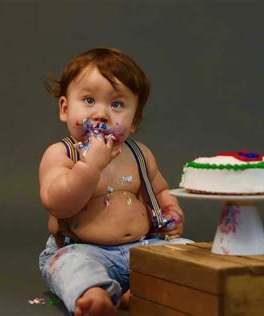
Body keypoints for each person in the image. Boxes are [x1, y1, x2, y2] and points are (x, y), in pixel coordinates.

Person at [38, 47, 191, 316]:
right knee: (71, 267)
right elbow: (58, 204)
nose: (101, 114)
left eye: (117, 104)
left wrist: (171, 212)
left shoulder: (140, 154)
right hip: (83, 250)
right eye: (88, 100)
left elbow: (161, 191)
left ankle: (143, 292)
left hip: (142, 249)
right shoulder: (62, 154)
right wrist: (91, 166)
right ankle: (94, 295)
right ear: (64, 108)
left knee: (187, 253)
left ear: (134, 121)